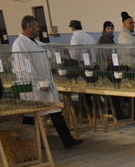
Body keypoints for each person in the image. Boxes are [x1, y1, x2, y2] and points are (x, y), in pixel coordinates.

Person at [12, 15, 83, 149]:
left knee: (55, 110)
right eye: (36, 27)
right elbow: (23, 67)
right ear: (30, 28)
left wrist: (62, 51)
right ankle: (29, 143)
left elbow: (47, 48)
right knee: (31, 115)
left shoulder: (34, 42)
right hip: (34, 87)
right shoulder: (19, 44)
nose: (38, 29)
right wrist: (38, 82)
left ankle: (67, 140)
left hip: (45, 85)